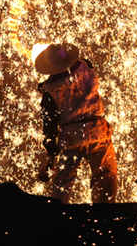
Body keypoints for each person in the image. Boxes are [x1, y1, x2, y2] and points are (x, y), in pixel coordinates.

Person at [34, 43, 118, 203]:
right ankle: (107, 214)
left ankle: (59, 216)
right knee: (105, 177)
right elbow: (83, 62)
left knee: (63, 182)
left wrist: (50, 156)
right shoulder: (86, 68)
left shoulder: (50, 92)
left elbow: (50, 127)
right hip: (97, 131)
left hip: (71, 136)